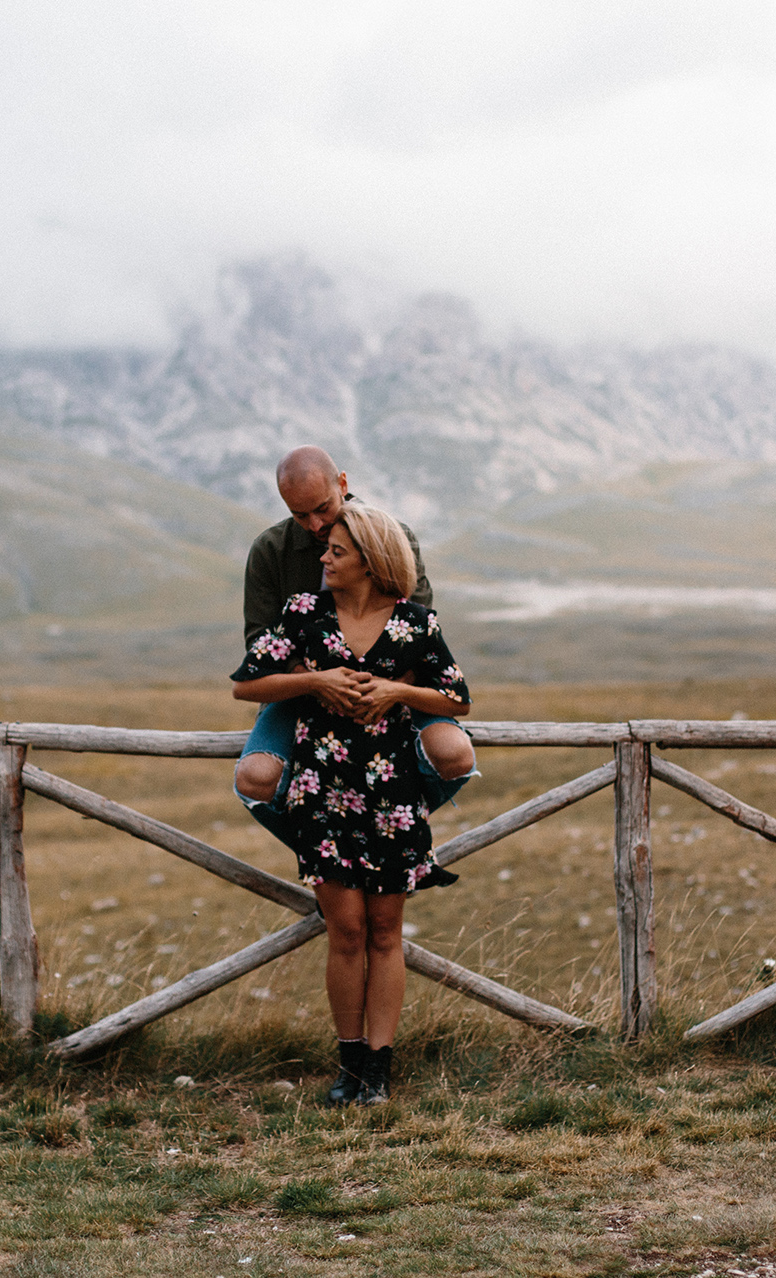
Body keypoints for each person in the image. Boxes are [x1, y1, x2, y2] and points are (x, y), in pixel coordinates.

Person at [231, 504, 473, 1105]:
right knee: (345, 932)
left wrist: (397, 690)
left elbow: (457, 699)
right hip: (322, 792)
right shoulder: (304, 614)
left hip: (392, 797)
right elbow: (246, 683)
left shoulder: (416, 623)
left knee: (386, 932)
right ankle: (349, 1067)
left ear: (369, 559)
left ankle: (381, 1073)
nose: (323, 558)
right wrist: (316, 681)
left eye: (336, 551)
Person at [235, 446, 475, 820]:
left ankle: (402, 816)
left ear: (343, 483)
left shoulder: (395, 536)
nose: (315, 525)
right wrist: (318, 684)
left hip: (391, 689)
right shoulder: (269, 551)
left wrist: (381, 692)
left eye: (322, 508)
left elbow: (420, 630)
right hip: (300, 693)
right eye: (299, 515)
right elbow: (260, 642)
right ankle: (320, 842)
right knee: (255, 779)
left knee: (455, 754)